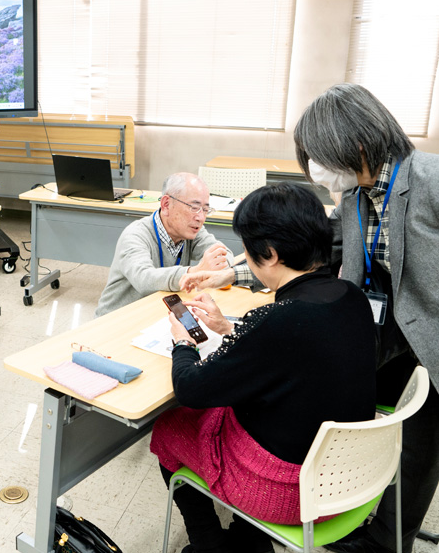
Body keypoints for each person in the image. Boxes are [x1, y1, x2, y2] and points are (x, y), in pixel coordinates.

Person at [181, 84, 439, 553]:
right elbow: (308, 248)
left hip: (432, 335)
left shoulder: (431, 181)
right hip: (387, 332)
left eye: (318, 156)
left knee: (421, 447)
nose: (315, 169)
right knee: (350, 421)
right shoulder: (356, 198)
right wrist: (235, 272)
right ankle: (340, 503)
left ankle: (386, 542)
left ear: (356, 144)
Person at [153, 183, 377, 553]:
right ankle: (247, 539)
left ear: (269, 255)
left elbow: (191, 390)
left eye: (247, 250)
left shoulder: (279, 320)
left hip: (292, 493)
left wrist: (182, 342)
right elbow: (298, 354)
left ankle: (210, 545)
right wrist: (229, 329)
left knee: (170, 428)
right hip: (350, 475)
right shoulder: (350, 296)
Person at [95, 172, 232, 316]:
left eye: (205, 210)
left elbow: (224, 253)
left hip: (159, 314)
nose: (201, 217)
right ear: (166, 204)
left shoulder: (192, 230)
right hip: (118, 320)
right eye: (194, 207)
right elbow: (144, 279)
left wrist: (217, 265)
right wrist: (193, 273)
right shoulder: (135, 235)